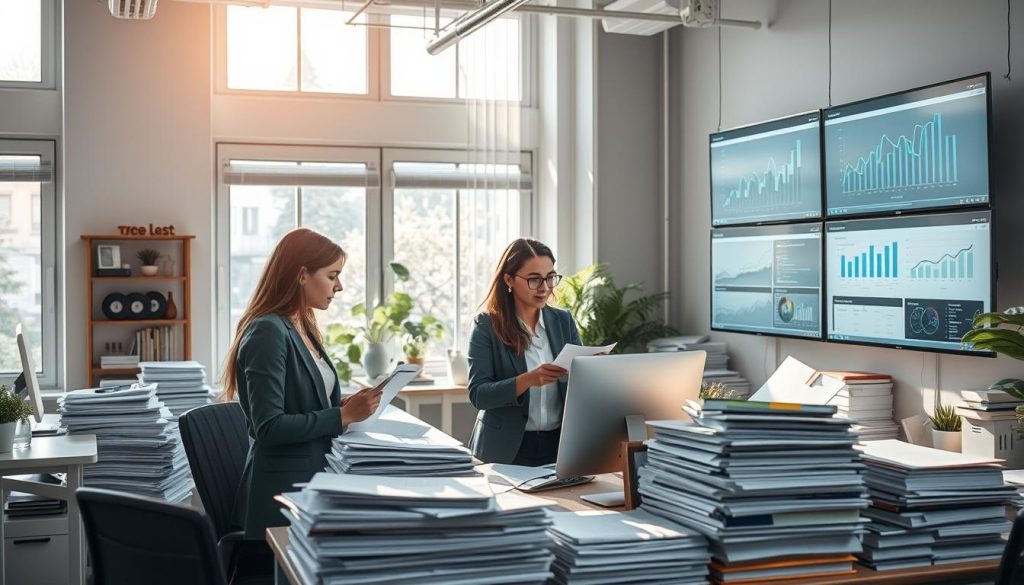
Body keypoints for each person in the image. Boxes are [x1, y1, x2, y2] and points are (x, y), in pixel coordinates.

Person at [221, 227, 382, 581]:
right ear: (302, 274)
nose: (338, 287)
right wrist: (341, 416)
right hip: (283, 491)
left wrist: (342, 405)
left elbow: (303, 398)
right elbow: (269, 427)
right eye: (332, 276)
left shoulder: (302, 325)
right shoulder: (268, 331)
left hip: (314, 477)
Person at [467, 238, 581, 466]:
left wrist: (592, 370)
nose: (545, 287)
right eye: (534, 279)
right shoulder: (486, 325)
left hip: (559, 446)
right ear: (509, 279)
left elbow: (577, 387)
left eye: (550, 277)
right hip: (505, 448)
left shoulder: (563, 320)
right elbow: (479, 394)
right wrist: (527, 380)